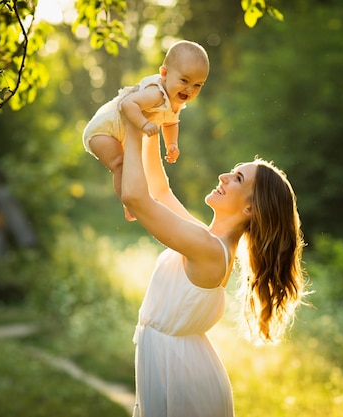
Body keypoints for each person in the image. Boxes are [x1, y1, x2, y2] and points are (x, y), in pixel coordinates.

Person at [120, 121, 309, 417]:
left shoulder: (207, 250)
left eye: (237, 178)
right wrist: (151, 128)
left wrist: (133, 125)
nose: (222, 176)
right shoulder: (205, 241)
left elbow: (136, 197)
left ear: (250, 208)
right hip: (173, 369)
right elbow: (158, 191)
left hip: (184, 382)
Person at [82, 40, 210, 220]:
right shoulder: (156, 93)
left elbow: (171, 123)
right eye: (184, 80)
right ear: (164, 73)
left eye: (198, 85)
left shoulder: (176, 101)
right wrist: (143, 124)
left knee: (133, 167)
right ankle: (129, 206)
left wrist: (172, 144)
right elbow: (128, 103)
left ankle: (136, 202)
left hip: (120, 134)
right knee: (120, 165)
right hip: (103, 131)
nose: (189, 89)